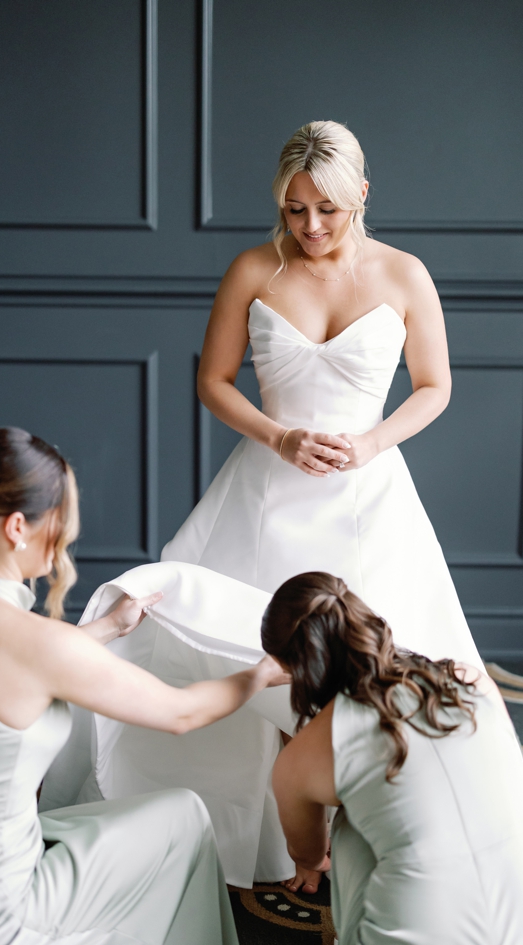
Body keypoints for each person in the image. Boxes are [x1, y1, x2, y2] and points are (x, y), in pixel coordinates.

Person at [82, 120, 480, 886]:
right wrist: (280, 438)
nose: (310, 226)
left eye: (326, 209)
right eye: (295, 209)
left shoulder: (404, 275)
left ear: (361, 195)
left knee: (378, 664)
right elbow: (213, 382)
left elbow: (436, 386)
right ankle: (263, 831)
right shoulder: (253, 271)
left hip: (369, 496)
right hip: (265, 489)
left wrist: (370, 443)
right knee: (234, 650)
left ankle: (375, 831)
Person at [0, 427, 290, 945]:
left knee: (82, 827)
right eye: (59, 522)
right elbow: (180, 713)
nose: (64, 539)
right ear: (16, 527)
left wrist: (108, 629)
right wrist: (262, 671)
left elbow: (16, 666)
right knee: (185, 816)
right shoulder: (28, 640)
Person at [265, 572, 523, 945]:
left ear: (293, 669)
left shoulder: (301, 757)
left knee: (352, 825)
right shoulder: (465, 676)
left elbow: (310, 854)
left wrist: (311, 860)